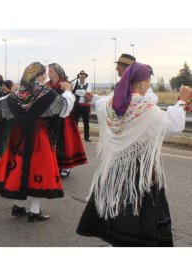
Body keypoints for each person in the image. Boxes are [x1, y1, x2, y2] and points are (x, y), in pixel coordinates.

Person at [76, 62, 191, 246]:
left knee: (115, 214)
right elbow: (172, 125)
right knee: (136, 220)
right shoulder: (145, 107)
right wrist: (182, 101)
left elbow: (100, 104)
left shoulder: (108, 104)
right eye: (149, 82)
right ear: (143, 83)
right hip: (139, 173)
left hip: (114, 169)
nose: (149, 86)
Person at [0, 62, 75, 223]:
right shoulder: (45, 92)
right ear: (38, 75)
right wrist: (68, 91)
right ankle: (34, 211)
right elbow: (64, 109)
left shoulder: (17, 94)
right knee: (38, 170)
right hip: (38, 136)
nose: (46, 77)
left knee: (19, 168)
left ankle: (18, 206)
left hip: (18, 135)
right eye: (44, 74)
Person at [46, 63, 88, 178]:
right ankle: (55, 165)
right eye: (48, 71)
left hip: (64, 118)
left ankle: (65, 167)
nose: (48, 73)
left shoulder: (65, 84)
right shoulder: (47, 85)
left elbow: (71, 100)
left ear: (57, 72)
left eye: (51, 71)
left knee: (63, 142)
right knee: (51, 142)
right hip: (50, 118)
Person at [72, 70, 93, 142]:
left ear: (85, 78)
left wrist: (79, 92)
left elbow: (87, 93)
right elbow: (74, 92)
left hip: (85, 106)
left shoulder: (88, 85)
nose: (82, 78)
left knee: (86, 122)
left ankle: (86, 137)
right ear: (79, 77)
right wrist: (83, 92)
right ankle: (74, 137)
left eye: (83, 77)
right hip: (77, 105)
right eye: (81, 77)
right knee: (75, 122)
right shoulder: (75, 84)